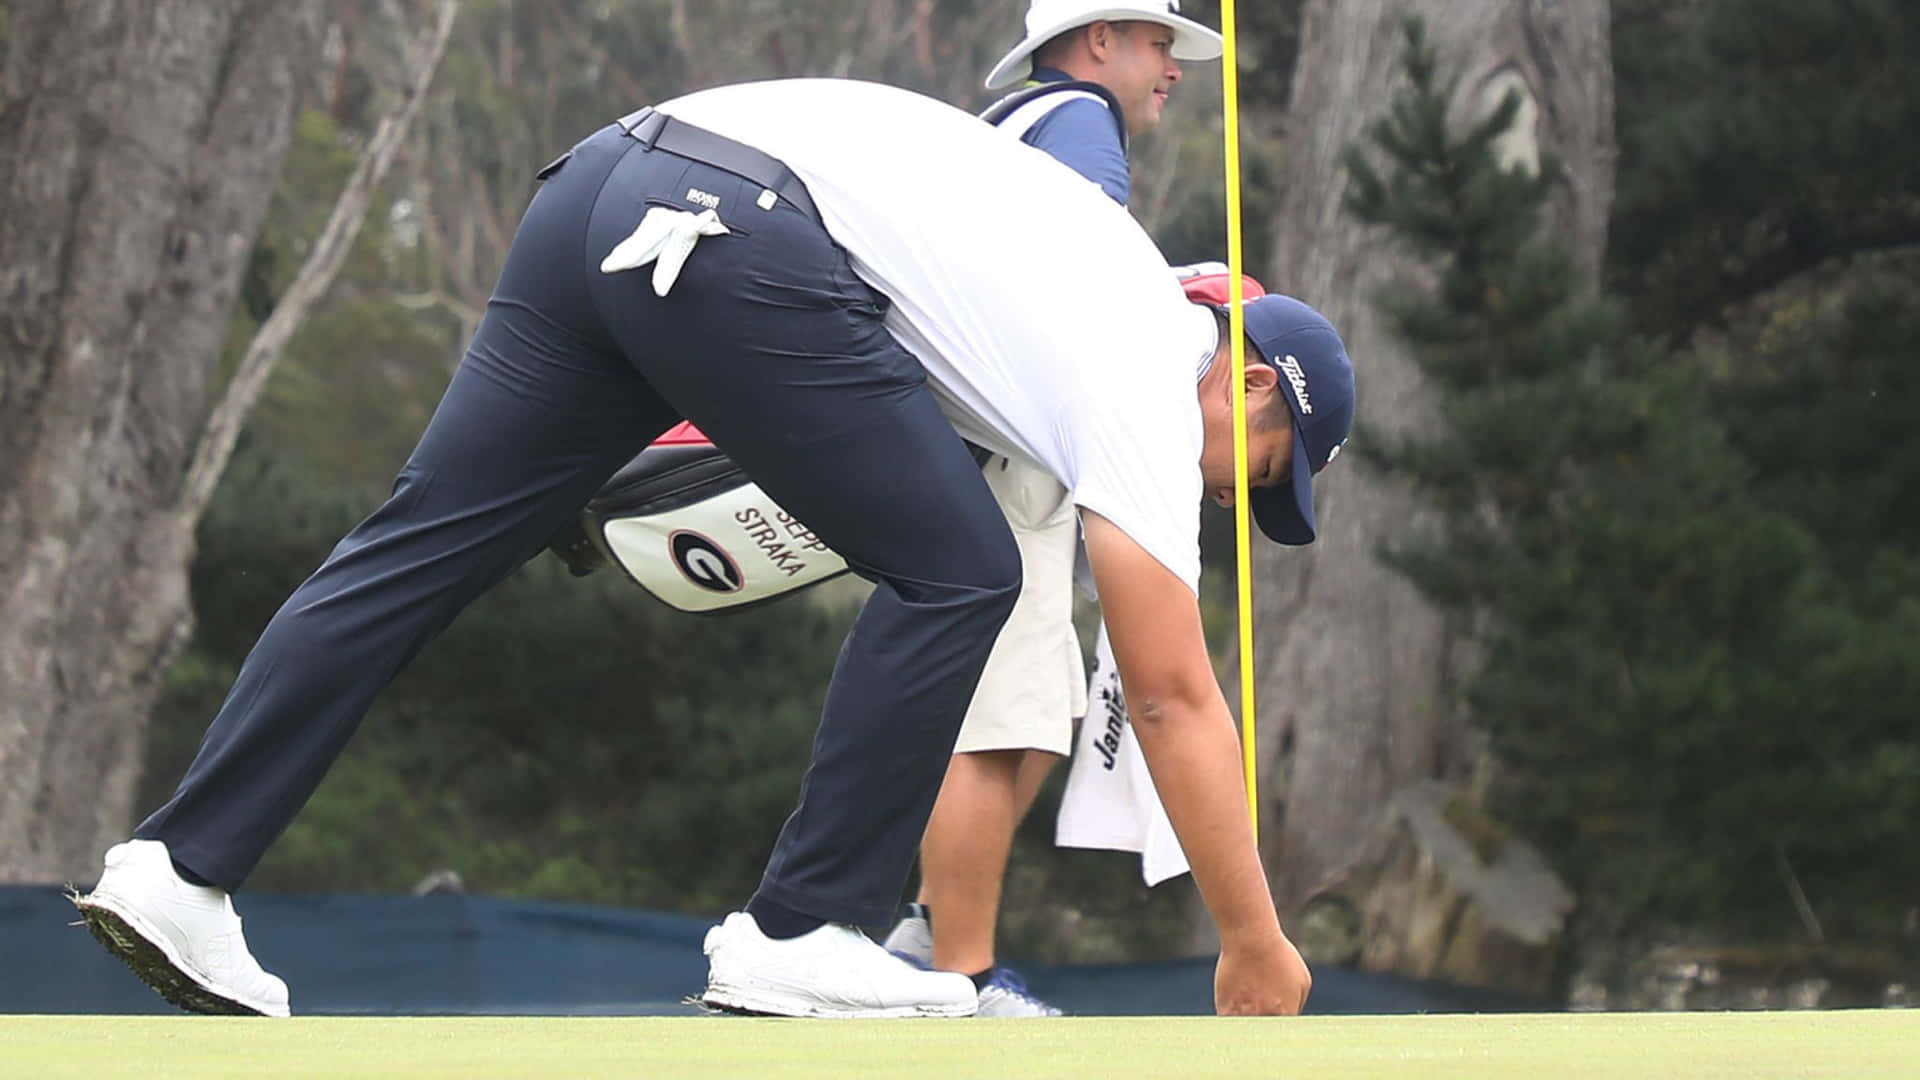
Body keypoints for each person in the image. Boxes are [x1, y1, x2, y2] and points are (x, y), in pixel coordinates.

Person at [73, 76, 1347, 1020]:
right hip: (738, 221)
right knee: (965, 572)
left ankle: (180, 869)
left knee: (416, 547)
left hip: (605, 182)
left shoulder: (1071, 301)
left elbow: (845, 390)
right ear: (1250, 384)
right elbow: (1170, 696)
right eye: (1260, 471)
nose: (1228, 496)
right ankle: (805, 930)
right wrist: (1253, 941)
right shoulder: (1149, 362)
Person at [880, 0, 1225, 1018]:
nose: (1173, 66)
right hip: (997, 457)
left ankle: (927, 932)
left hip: (966, 448)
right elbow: (1081, 293)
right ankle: (958, 978)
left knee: (1036, 720)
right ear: (1098, 40)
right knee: (1003, 726)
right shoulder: (1079, 118)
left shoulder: (1024, 122)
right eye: (1159, 43)